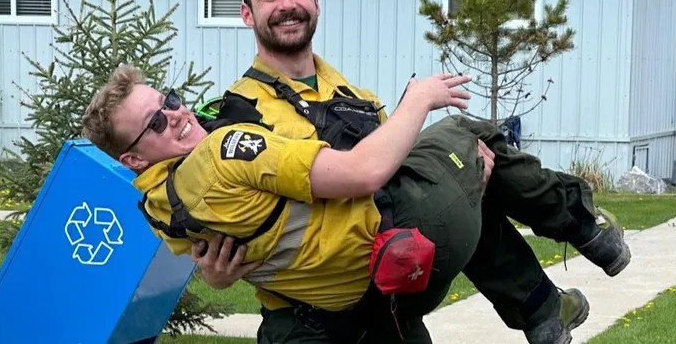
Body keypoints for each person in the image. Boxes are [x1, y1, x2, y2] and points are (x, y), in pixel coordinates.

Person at [82, 64, 628, 344]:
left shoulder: (156, 207)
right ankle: (579, 229)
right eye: (156, 121)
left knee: (463, 172)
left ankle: (544, 304)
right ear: (247, 11)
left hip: (377, 274)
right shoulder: (230, 135)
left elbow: (216, 249)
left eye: (170, 100)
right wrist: (420, 96)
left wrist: (216, 275)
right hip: (365, 275)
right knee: (466, 130)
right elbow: (366, 170)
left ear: (314, 2)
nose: (176, 115)